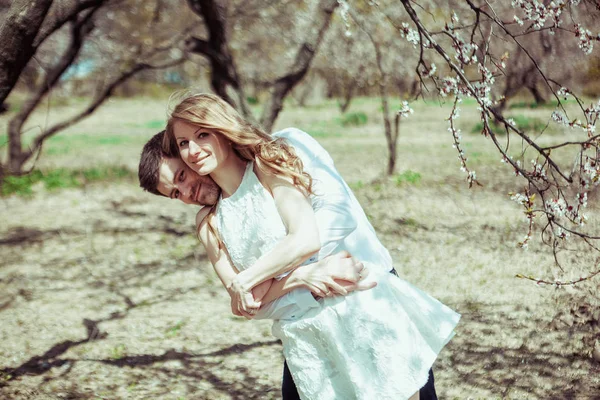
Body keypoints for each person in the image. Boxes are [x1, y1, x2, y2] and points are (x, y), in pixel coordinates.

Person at [154, 93, 460, 399]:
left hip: (356, 290)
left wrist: (253, 279)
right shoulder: (211, 221)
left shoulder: (276, 156)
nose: (193, 151)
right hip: (303, 335)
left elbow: (322, 226)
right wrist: (301, 277)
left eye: (202, 135)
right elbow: (247, 303)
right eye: (183, 144)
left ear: (221, 128)